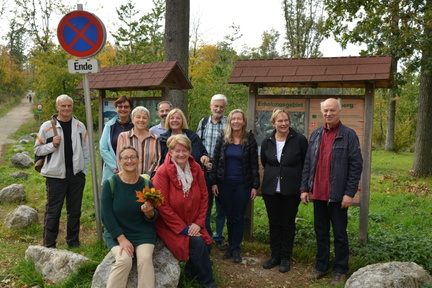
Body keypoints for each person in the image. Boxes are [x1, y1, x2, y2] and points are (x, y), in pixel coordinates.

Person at [300, 98, 363, 286]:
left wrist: (349, 193)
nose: (329, 114)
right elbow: (308, 164)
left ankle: (341, 269)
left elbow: (356, 166)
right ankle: (321, 266)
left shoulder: (349, 135)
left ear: (339, 112)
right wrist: (304, 188)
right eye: (326, 110)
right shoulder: (316, 135)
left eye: (332, 110)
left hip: (338, 196)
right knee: (320, 232)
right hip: (318, 193)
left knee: (340, 234)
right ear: (322, 112)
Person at [152, 134, 217, 288]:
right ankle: (208, 282)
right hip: (170, 225)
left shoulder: (195, 168)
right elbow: (162, 205)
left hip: (193, 221)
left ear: (190, 151)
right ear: (170, 151)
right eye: (177, 150)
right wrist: (184, 228)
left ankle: (189, 272)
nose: (181, 154)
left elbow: (204, 196)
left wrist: (198, 223)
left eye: (184, 150)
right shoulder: (163, 172)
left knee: (207, 244)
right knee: (197, 242)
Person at [34, 94, 89, 248]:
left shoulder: (79, 126)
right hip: (55, 176)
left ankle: (73, 242)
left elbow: (86, 150)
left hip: (76, 175)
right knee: (53, 211)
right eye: (63, 106)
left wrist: (83, 170)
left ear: (72, 107)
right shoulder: (47, 126)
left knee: (75, 211)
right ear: (57, 107)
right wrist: (52, 145)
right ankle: (49, 244)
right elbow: (37, 149)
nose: (66, 109)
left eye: (69, 106)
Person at [101, 146, 158, 288]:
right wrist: (121, 238)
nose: (129, 161)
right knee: (124, 260)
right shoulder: (111, 183)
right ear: (119, 162)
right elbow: (106, 214)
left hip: (143, 232)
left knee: (145, 259)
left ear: (138, 160)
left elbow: (155, 215)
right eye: (125, 158)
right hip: (118, 233)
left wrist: (149, 212)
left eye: (133, 157)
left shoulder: (146, 184)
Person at [260, 108, 308, 273]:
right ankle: (275, 256)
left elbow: (305, 164)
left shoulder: (299, 140)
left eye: (286, 120)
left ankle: (285, 257)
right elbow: (264, 160)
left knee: (287, 224)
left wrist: (304, 188)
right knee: (274, 223)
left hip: (291, 189)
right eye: (280, 121)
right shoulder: (267, 140)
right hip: (271, 189)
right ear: (273, 123)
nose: (284, 124)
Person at [210, 109, 260, 263]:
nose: (236, 121)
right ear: (229, 121)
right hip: (224, 184)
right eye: (233, 119)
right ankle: (230, 247)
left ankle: (235, 247)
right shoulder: (222, 138)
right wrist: (213, 182)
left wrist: (254, 185)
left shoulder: (249, 139)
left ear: (243, 122)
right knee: (229, 216)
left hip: (242, 184)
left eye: (239, 119)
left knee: (238, 217)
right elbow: (216, 160)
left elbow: (253, 164)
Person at [196, 94, 228, 248]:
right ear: (210, 106)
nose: (218, 109)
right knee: (205, 205)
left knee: (221, 206)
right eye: (216, 106)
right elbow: (197, 145)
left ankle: (219, 236)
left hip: (223, 170)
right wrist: (203, 159)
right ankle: (206, 234)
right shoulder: (203, 123)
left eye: (221, 106)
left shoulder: (229, 123)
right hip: (205, 170)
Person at [117, 106, 161, 178]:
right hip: (127, 179)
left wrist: (148, 175)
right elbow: (119, 159)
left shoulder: (154, 138)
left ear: (148, 120)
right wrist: (126, 176)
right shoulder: (123, 136)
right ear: (132, 119)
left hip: (148, 180)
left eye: (144, 118)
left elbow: (157, 160)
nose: (141, 120)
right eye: (138, 117)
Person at [99, 95, 134, 183]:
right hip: (112, 171)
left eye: (126, 107)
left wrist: (127, 166)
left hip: (131, 170)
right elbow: (103, 148)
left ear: (130, 109)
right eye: (120, 106)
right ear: (116, 108)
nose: (123, 109)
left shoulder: (135, 126)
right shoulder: (109, 126)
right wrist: (117, 166)